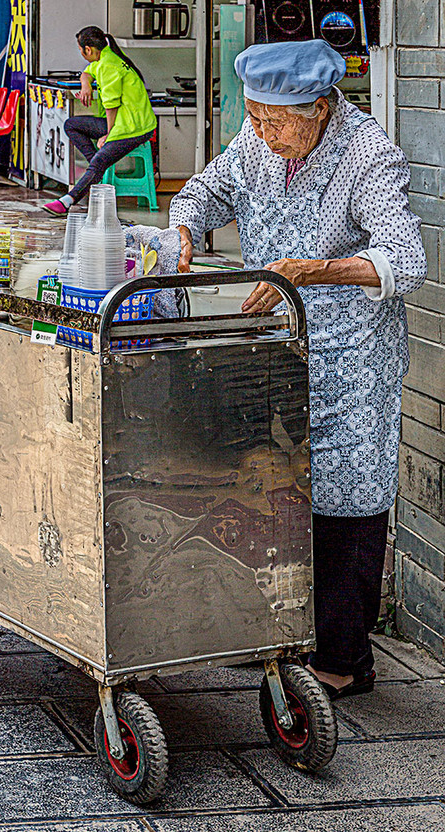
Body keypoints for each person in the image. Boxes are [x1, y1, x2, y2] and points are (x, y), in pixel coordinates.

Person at [170, 39, 426, 699]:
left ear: (319, 107)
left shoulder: (369, 155)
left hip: (351, 361)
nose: (261, 133)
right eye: (253, 117)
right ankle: (274, 634)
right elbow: (206, 190)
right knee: (271, 491)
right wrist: (183, 228)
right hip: (274, 353)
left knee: (347, 502)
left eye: (274, 121)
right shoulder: (259, 144)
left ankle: (343, 662)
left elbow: (406, 259)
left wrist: (315, 269)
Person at [43, 27, 156, 216]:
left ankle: (67, 201)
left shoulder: (108, 65)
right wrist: (86, 85)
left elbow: (112, 106)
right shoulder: (105, 57)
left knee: (100, 161)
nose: (82, 55)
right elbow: (86, 73)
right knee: (71, 125)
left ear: (88, 50)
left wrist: (109, 135)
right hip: (121, 122)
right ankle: (96, 167)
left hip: (134, 128)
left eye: (81, 51)